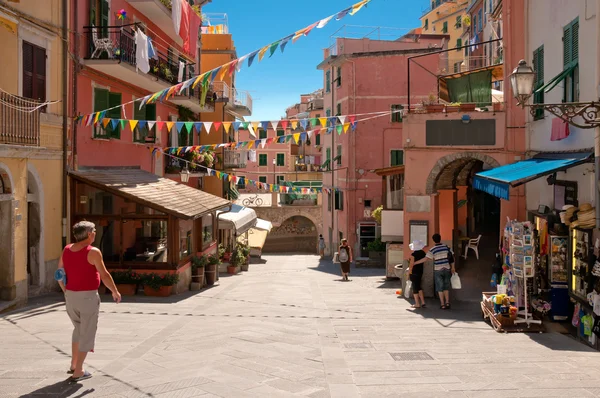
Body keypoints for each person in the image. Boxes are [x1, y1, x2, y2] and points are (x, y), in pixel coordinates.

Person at [57, 221, 121, 382]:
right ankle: (78, 370)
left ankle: (73, 364)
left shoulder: (67, 249)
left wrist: (66, 290)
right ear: (88, 234)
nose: (95, 233)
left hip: (71, 296)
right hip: (88, 297)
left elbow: (59, 273)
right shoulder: (93, 252)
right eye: (93, 231)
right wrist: (115, 291)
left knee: (78, 329)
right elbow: (104, 275)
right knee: (87, 332)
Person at [425, 233, 455, 309]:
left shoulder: (432, 249)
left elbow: (427, 258)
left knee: (439, 287)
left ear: (433, 240)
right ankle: (447, 302)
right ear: (440, 238)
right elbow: (452, 258)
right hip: (447, 268)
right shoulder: (447, 247)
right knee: (446, 286)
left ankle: (442, 304)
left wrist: (415, 262)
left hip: (438, 269)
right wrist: (453, 267)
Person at [408, 240, 427, 308]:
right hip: (420, 272)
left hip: (414, 272)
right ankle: (423, 302)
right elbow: (425, 259)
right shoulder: (423, 253)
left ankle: (417, 304)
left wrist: (409, 272)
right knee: (419, 286)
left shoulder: (413, 255)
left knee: (415, 288)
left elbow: (411, 264)